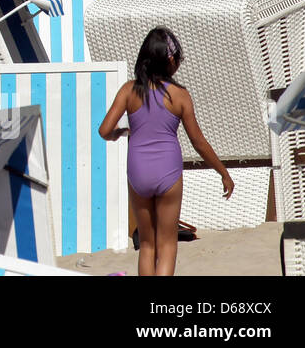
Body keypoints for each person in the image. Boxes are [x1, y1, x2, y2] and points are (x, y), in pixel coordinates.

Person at [98, 27, 233, 276]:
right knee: (168, 244)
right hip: (168, 171)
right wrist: (223, 172)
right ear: (170, 60)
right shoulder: (180, 95)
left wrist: (120, 133)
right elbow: (198, 142)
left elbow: (104, 130)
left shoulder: (129, 90)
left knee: (147, 245)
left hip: (138, 170)